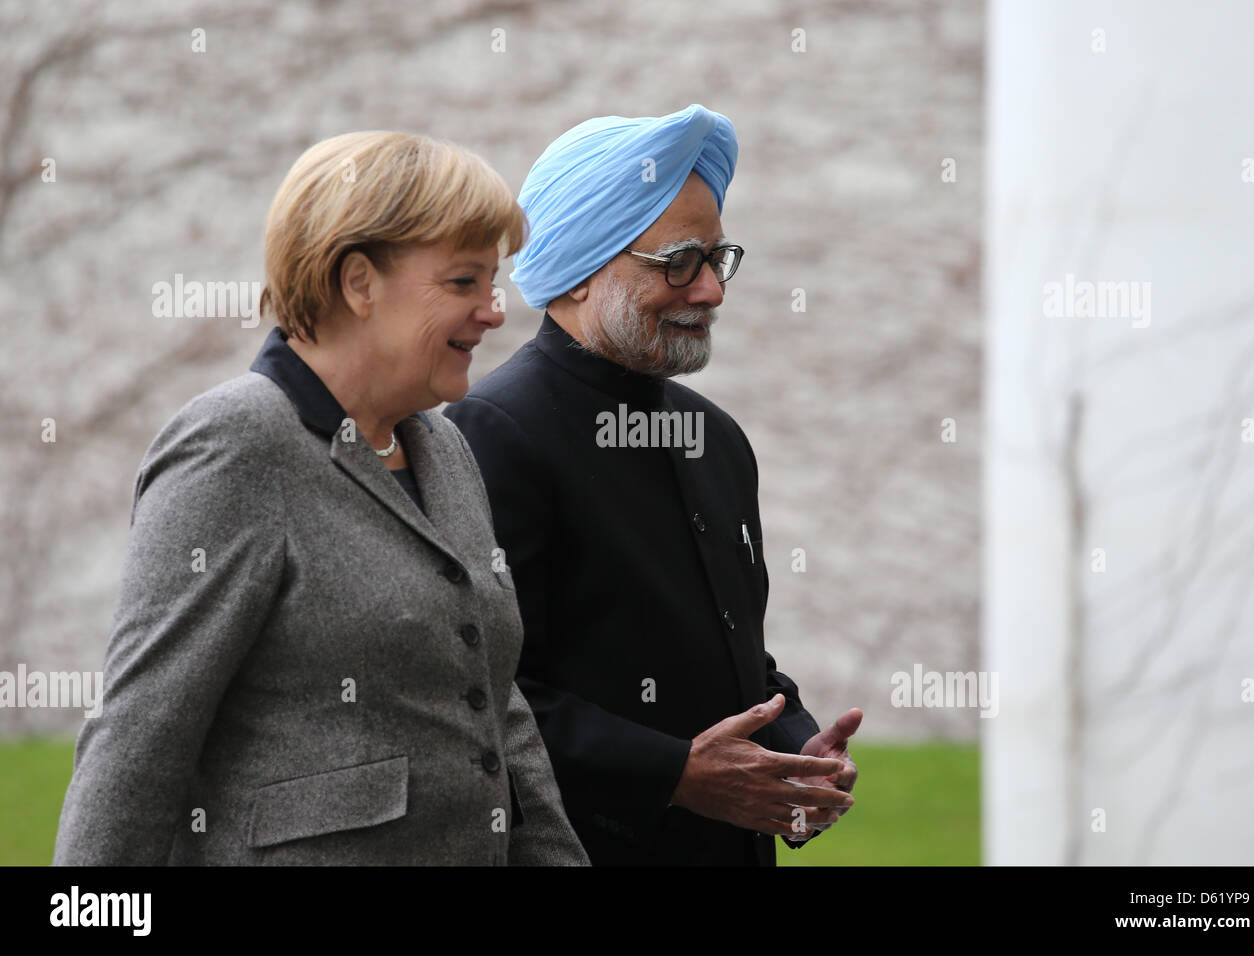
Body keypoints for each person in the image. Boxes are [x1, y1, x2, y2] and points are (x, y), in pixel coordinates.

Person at [53, 131, 588, 866]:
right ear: (359, 282)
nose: (494, 312)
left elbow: (496, 711)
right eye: (464, 282)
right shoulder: (236, 441)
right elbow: (143, 731)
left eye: (492, 284)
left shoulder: (443, 447)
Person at [445, 105, 862, 866]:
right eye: (678, 261)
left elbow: (734, 663)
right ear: (579, 267)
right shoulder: (492, 433)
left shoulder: (718, 438)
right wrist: (673, 774)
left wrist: (796, 750)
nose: (711, 292)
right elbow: (473, 694)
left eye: (718, 258)